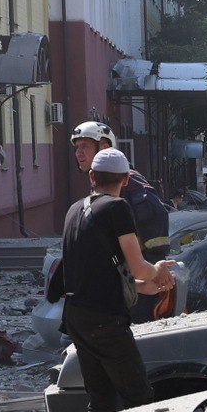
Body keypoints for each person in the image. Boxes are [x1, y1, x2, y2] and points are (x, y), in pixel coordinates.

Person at [50, 148, 176, 412]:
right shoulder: (118, 207)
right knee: (139, 396)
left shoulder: (75, 209)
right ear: (126, 179)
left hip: (76, 317)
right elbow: (137, 266)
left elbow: (95, 272)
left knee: (101, 399)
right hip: (104, 320)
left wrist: (142, 286)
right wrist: (158, 270)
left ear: (92, 176)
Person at [68, 121, 170, 321]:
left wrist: (152, 268)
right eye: (77, 147)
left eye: (85, 146)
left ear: (105, 147)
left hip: (138, 292)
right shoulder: (101, 189)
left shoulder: (129, 185)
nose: (79, 153)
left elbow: (155, 224)